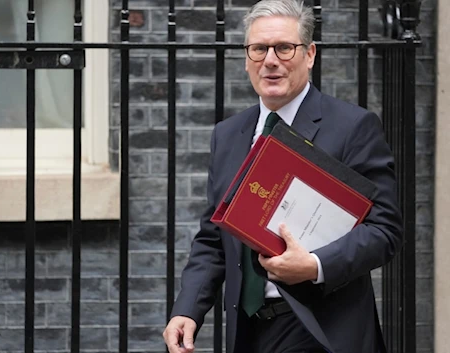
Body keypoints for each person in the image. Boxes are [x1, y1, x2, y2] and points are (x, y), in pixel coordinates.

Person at [162, 0, 403, 352]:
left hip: (320, 330)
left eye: (284, 48)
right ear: (247, 59)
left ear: (309, 54)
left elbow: (385, 231)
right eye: (259, 49)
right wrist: (188, 310)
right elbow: (215, 238)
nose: (270, 60)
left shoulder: (352, 128)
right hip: (249, 331)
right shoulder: (228, 135)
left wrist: (314, 266)